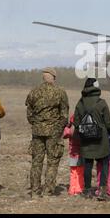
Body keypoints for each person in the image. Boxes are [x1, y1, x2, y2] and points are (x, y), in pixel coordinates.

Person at [26, 67, 69, 197]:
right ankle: (48, 191)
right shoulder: (60, 92)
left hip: (37, 131)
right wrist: (58, 128)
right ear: (54, 78)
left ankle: (35, 191)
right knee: (52, 161)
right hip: (53, 132)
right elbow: (64, 115)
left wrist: (37, 124)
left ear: (43, 77)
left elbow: (29, 114)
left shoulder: (34, 92)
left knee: (36, 162)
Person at [74, 78, 110, 201]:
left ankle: (87, 190)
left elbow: (76, 122)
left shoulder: (80, 103)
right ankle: (102, 190)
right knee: (104, 163)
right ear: (96, 87)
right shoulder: (102, 103)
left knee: (88, 165)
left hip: (85, 139)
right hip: (101, 140)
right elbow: (108, 124)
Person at [63, 115, 84, 196]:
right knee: (80, 172)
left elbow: (64, 134)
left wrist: (68, 125)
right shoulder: (81, 130)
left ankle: (72, 189)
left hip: (72, 154)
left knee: (73, 172)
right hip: (80, 154)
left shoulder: (70, 131)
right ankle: (79, 188)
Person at [95, 132, 110, 198]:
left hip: (97, 142)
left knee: (100, 169)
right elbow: (109, 126)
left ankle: (99, 190)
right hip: (107, 145)